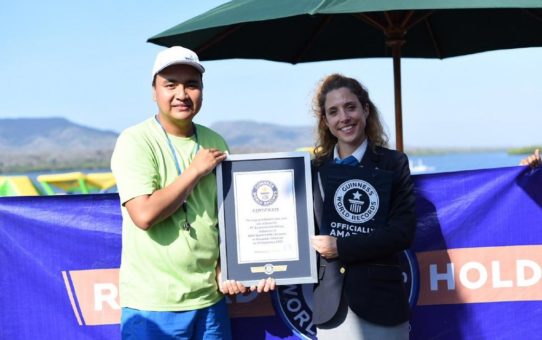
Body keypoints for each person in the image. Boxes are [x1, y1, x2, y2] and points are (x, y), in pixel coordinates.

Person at [111, 46, 274, 340]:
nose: (182, 94)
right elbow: (144, 215)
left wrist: (229, 265)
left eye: (192, 84)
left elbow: (228, 216)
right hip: (153, 306)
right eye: (170, 84)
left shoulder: (214, 140)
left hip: (209, 301)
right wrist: (194, 171)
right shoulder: (135, 141)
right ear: (154, 91)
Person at [309, 74, 416, 339]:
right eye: (333, 112)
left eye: (350, 107)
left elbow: (402, 232)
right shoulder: (314, 170)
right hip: (332, 309)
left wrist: (340, 247)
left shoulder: (393, 164)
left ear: (365, 110)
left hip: (382, 305)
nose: (343, 117)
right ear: (325, 121)